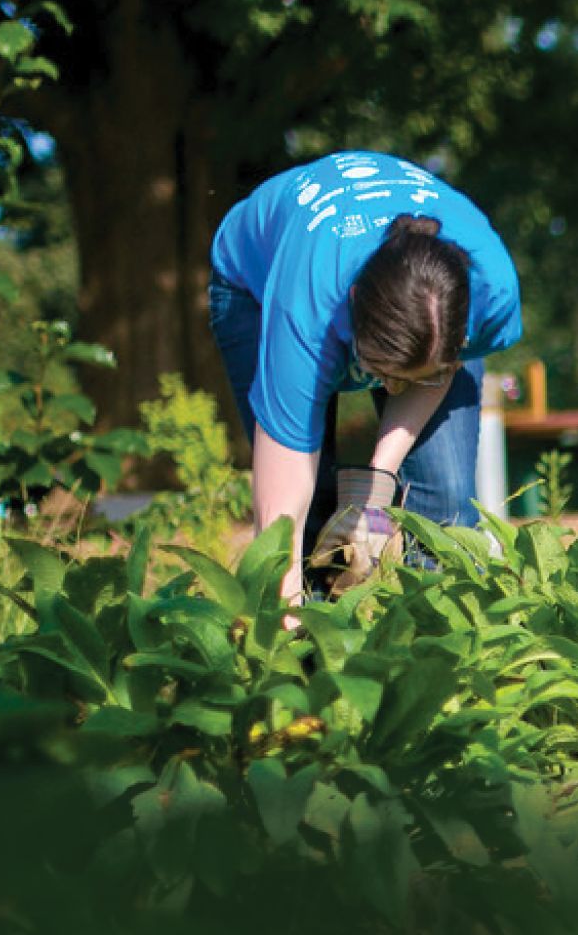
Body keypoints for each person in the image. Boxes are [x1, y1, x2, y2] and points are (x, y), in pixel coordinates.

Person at [208, 149, 523, 606]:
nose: (392, 391)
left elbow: (429, 370)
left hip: (413, 300)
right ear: (354, 306)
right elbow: (281, 510)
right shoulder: (307, 306)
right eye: (383, 374)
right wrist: (284, 626)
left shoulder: (489, 295)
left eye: (415, 377)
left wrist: (377, 487)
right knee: (310, 511)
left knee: (446, 502)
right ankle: (314, 655)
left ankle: (431, 656)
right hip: (254, 283)